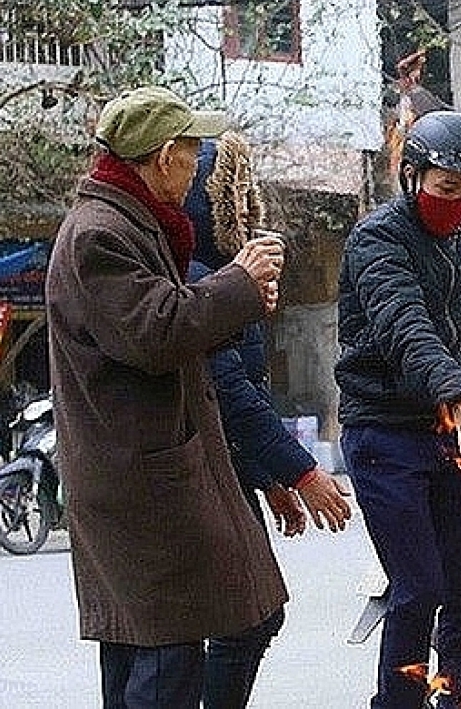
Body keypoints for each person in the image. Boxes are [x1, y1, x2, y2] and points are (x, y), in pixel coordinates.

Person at [45, 85, 289, 708]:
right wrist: (239, 282)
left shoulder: (132, 223)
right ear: (162, 158)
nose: (197, 169)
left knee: (151, 643)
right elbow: (155, 332)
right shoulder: (100, 234)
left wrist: (235, 300)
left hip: (145, 472)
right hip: (138, 480)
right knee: (163, 651)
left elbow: (163, 322)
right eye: (191, 154)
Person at [334, 110, 461, 709]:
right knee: (418, 587)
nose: (457, 203)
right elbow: (404, 326)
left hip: (441, 431)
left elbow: (450, 337)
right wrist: (454, 392)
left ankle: (458, 698)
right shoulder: (377, 240)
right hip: (383, 434)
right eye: (446, 187)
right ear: (412, 177)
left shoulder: (454, 245)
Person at [185, 133, 353, 709]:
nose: (245, 212)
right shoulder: (198, 275)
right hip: (203, 475)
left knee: (250, 618)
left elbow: (245, 386)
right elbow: (229, 390)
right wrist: (301, 472)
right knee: (246, 619)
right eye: (231, 200)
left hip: (232, 471)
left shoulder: (227, 274)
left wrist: (269, 478)